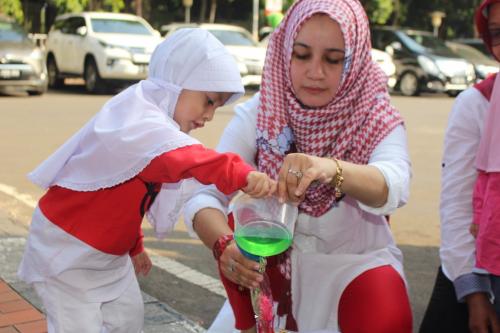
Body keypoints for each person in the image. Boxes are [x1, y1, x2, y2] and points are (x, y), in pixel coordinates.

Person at [17, 28, 276, 333]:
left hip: (107, 257)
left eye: (216, 107)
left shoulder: (155, 124)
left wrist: (134, 243)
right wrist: (242, 173)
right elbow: (189, 159)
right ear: (177, 82)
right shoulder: (139, 119)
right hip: (67, 253)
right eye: (208, 101)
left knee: (127, 320)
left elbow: (125, 199)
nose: (209, 116)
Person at [183, 0, 413, 332]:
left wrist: (329, 169)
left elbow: (395, 183)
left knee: (386, 313)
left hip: (352, 270)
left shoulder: (373, 115)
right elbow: (203, 193)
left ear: (356, 61)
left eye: (333, 60)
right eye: (302, 55)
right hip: (268, 276)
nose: (315, 72)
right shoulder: (262, 113)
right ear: (284, 50)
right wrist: (224, 245)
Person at [420, 1, 500, 332]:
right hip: (486, 282)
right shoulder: (478, 104)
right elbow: (457, 208)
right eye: (497, 33)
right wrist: (474, 295)